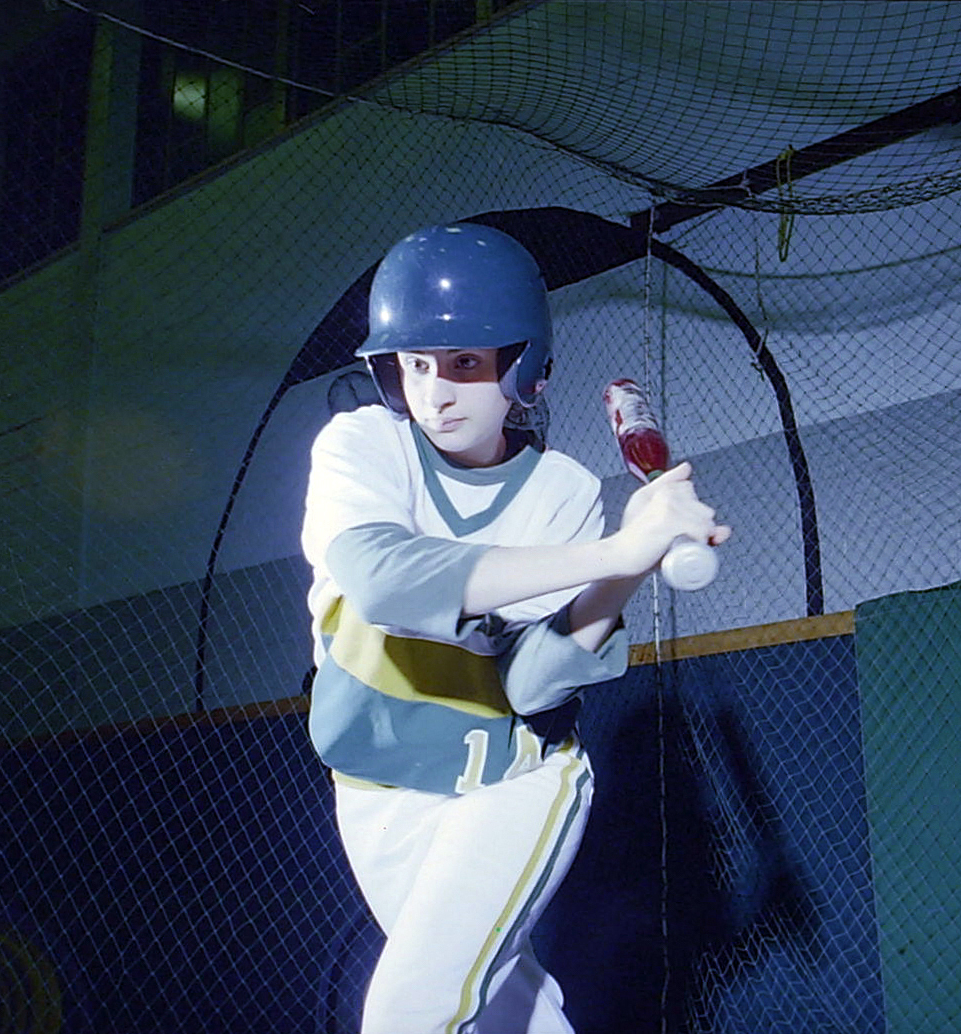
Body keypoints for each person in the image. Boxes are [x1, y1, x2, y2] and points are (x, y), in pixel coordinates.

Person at [300, 222, 729, 1034]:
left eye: (465, 362)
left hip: (511, 784)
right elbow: (385, 582)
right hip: (376, 791)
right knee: (509, 1016)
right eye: (415, 363)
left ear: (523, 367)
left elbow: (531, 686)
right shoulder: (363, 445)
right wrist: (616, 550)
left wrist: (629, 564)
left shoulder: (560, 493)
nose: (436, 393)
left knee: (407, 1015)